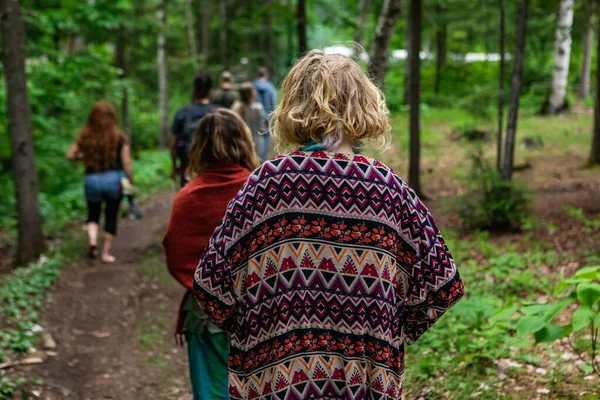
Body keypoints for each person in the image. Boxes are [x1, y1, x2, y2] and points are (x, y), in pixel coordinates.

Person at [193, 50, 464, 399]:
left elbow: (211, 289)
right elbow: (441, 287)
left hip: (278, 383)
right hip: (364, 385)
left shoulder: (267, 183)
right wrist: (383, 327)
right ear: (363, 103)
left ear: (293, 104)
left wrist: (264, 322)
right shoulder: (387, 188)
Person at [163, 109, 260, 400]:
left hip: (205, 315)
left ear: (199, 147)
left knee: (212, 394)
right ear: (244, 142)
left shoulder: (188, 197)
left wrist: (205, 285)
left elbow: (176, 252)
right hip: (259, 311)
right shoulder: (260, 191)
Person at [66, 101, 134, 263]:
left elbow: (70, 155)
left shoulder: (85, 136)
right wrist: (130, 181)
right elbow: (126, 163)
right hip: (113, 179)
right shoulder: (119, 137)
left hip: (92, 179)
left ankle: (92, 240)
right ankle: (105, 253)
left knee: (93, 212)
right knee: (111, 214)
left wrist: (83, 157)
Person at [171, 72, 218, 187]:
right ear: (211, 91)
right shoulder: (220, 113)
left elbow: (173, 143)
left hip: (188, 168)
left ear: (194, 89)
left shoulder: (182, 112)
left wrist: (174, 166)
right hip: (215, 168)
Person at [232, 82, 268, 161]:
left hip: (242, 140)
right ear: (250, 93)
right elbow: (264, 126)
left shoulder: (236, 108)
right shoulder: (258, 108)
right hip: (258, 140)